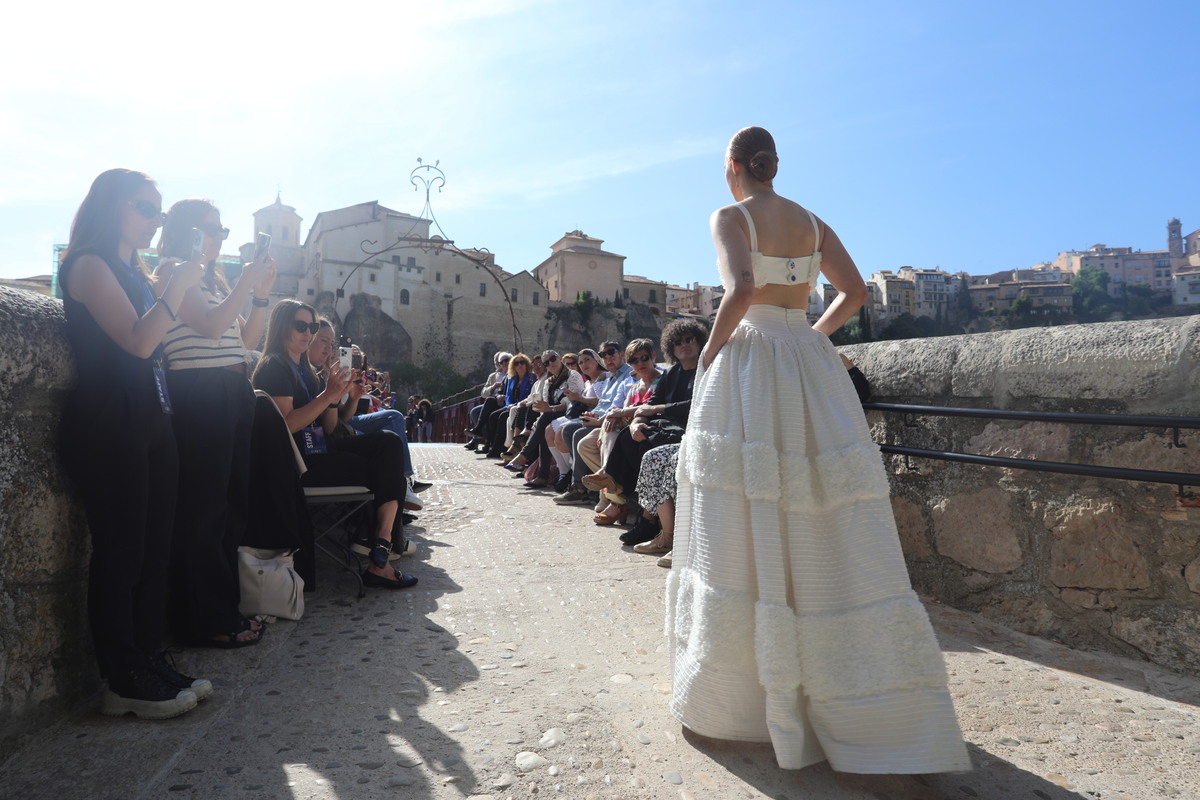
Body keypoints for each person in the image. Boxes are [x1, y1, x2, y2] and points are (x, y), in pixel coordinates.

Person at [667, 127, 969, 773]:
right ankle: (859, 697)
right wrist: (810, 335)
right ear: (773, 166)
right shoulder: (813, 222)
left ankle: (743, 701)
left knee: (747, 505)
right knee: (822, 506)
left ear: (734, 167)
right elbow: (855, 293)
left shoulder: (730, 215)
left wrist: (713, 354)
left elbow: (741, 289)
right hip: (808, 360)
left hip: (751, 367)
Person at [57, 169, 209, 719]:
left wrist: (168, 287)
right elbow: (139, 341)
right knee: (121, 551)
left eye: (160, 212)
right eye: (146, 207)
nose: (155, 220)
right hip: (108, 423)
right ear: (112, 206)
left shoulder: (134, 270)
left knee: (154, 549)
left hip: (150, 417)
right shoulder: (88, 265)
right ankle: (120, 676)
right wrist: (174, 289)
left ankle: (148, 658)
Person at [155, 199, 273, 649]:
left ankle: (222, 609)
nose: (221, 238)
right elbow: (206, 326)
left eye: (223, 230)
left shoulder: (209, 278)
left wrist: (259, 293)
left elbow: (244, 339)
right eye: (213, 230)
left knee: (228, 509)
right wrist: (245, 280)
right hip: (201, 393)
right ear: (189, 231)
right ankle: (206, 620)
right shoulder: (172, 271)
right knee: (204, 512)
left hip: (229, 393)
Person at [251, 301, 417, 589]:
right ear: (281, 327)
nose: (308, 333)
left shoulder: (302, 369)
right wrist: (327, 396)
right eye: (300, 326)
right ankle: (379, 557)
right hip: (300, 464)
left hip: (319, 451)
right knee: (381, 466)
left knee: (388, 444)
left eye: (311, 327)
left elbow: (328, 427)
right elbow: (286, 426)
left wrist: (338, 393)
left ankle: (383, 539)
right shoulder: (274, 367)